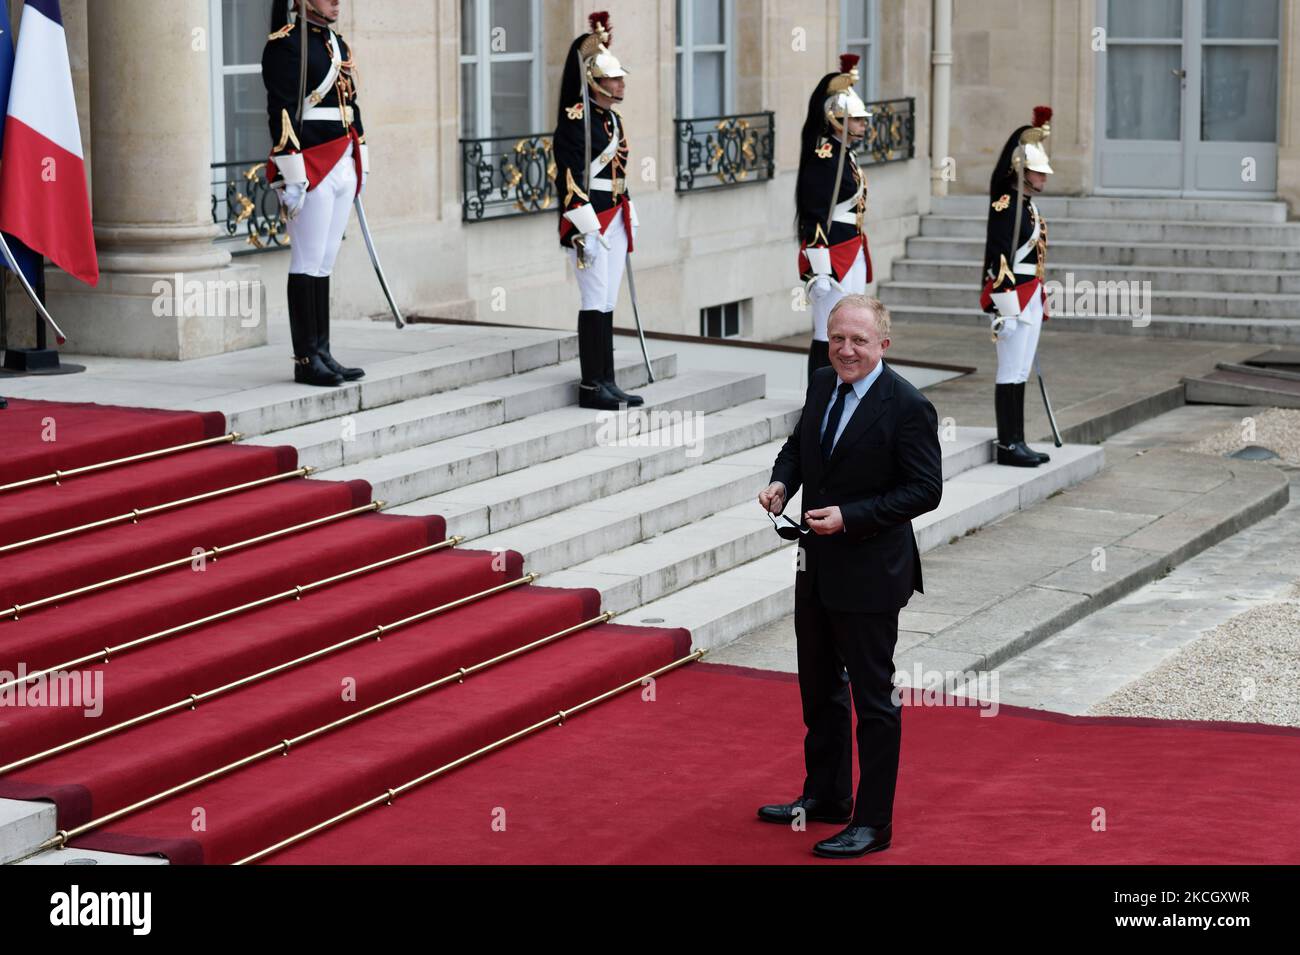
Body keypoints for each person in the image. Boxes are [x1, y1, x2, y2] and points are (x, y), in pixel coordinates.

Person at [756, 295, 942, 859]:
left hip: (870, 573)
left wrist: (850, 517)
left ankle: (872, 822)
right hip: (815, 564)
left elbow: (924, 490)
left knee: (873, 700)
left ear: (883, 345)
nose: (846, 350)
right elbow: (799, 445)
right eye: (837, 338)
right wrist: (782, 482)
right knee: (818, 688)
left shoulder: (907, 406)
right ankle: (826, 796)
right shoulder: (821, 382)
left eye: (859, 340)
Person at [262, 0, 368, 387]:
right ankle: (305, 359)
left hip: (341, 157)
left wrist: (361, 158)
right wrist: (291, 172)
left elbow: (352, 106)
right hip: (310, 163)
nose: (336, 1)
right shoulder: (286, 44)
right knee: (306, 259)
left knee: (325, 260)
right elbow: (282, 111)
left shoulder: (337, 44)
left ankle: (323, 351)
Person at [552, 12, 643, 411]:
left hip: (616, 214)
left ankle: (607, 379)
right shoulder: (577, 118)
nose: (621, 83)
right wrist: (583, 224)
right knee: (593, 300)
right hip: (590, 220)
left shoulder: (612, 119)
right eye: (614, 78)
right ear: (595, 81)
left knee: (608, 300)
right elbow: (570, 175)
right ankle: (591, 385)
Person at [980, 106, 1055, 467]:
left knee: (1021, 370)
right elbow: (998, 257)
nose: (1044, 178)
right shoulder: (1006, 205)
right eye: (1038, 171)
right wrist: (1003, 304)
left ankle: (1018, 439)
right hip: (1013, 297)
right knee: (1009, 370)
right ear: (1022, 171)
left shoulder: (1029, 207)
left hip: (1031, 295)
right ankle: (1007, 445)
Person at [795, 54, 873, 379]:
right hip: (833, 255)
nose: (862, 125)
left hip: (853, 247)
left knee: (852, 326)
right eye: (856, 119)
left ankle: (843, 390)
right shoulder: (823, 154)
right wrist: (820, 268)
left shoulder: (847, 156)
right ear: (837, 118)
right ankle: (817, 398)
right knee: (827, 331)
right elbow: (813, 212)